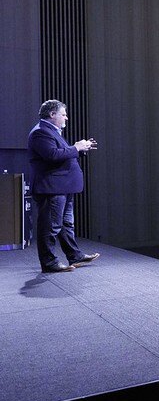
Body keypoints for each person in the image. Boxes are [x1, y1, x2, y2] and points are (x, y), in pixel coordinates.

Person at [28, 100, 99, 273]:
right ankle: (49, 263)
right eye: (63, 114)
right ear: (52, 114)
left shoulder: (52, 131)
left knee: (66, 224)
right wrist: (76, 147)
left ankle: (75, 255)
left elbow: (61, 154)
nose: (66, 118)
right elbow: (52, 155)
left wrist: (80, 149)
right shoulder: (40, 132)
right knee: (51, 226)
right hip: (52, 188)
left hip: (62, 187)